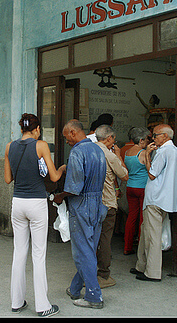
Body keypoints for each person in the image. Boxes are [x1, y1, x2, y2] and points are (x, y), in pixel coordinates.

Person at [4, 113, 66, 317]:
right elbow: (54, 176)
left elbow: (7, 179)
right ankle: (43, 306)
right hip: (36, 203)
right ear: (37, 129)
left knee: (19, 252)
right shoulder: (41, 146)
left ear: (22, 128)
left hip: (18, 202)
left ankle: (17, 301)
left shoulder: (9, 146)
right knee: (38, 254)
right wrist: (63, 168)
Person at [53, 119, 107, 309]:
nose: (66, 141)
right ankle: (75, 288)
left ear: (73, 133)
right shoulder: (98, 150)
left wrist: (59, 196)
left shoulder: (77, 152)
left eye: (67, 138)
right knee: (89, 249)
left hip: (82, 205)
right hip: (98, 205)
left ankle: (94, 296)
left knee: (82, 252)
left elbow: (74, 188)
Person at [130, 124, 177, 282]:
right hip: (166, 198)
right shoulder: (176, 152)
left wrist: (147, 155)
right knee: (146, 231)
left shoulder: (163, 152)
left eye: (156, 135)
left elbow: (152, 174)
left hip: (156, 197)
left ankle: (152, 272)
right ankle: (141, 265)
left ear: (165, 136)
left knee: (152, 236)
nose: (153, 138)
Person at [94, 125, 129, 288]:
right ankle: (103, 274)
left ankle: (88, 271)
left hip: (90, 202)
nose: (114, 142)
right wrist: (119, 155)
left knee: (91, 238)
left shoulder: (89, 150)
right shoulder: (110, 155)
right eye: (114, 139)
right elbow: (125, 175)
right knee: (105, 239)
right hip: (107, 202)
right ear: (109, 139)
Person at [123, 127, 152, 255]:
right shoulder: (143, 153)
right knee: (142, 218)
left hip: (130, 186)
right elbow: (150, 170)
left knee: (131, 217)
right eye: (146, 139)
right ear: (141, 140)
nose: (147, 142)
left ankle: (127, 247)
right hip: (142, 187)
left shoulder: (127, 152)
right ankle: (141, 248)